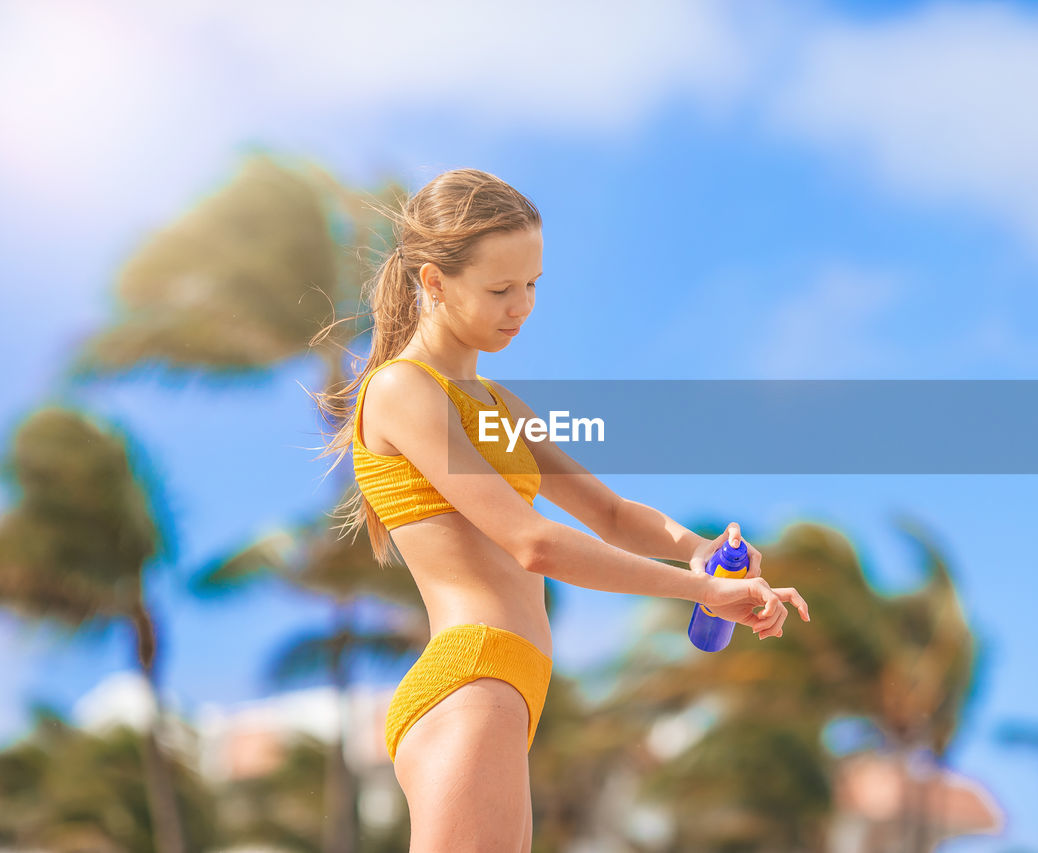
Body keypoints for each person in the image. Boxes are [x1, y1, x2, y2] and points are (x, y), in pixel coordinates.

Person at [315, 168, 809, 852]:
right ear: (432, 283)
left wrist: (697, 548)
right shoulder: (402, 390)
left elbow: (606, 511)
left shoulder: (497, 408)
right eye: (499, 289)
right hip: (473, 676)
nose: (522, 306)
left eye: (532, 285)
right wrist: (702, 591)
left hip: (509, 690)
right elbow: (533, 543)